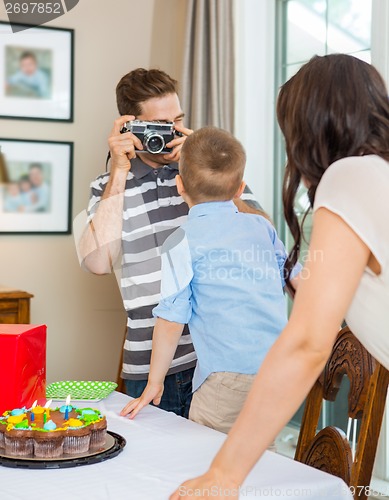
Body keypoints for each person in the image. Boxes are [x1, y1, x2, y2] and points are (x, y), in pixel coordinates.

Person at [169, 53, 389, 499]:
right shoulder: (376, 175)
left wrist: (224, 475)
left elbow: (308, 342)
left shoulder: (349, 176)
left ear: (308, 125)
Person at [77, 68, 265, 418]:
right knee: (157, 472)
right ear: (130, 127)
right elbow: (98, 263)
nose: (170, 133)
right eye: (159, 125)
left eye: (176, 122)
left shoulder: (205, 177)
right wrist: (119, 171)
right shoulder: (107, 187)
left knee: (220, 469)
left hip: (217, 361)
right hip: (151, 368)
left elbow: (262, 235)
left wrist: (202, 162)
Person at [120, 126, 301, 437]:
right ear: (240, 188)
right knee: (261, 458)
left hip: (225, 380)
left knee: (206, 455)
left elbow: (171, 318)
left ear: (179, 185)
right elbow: (296, 281)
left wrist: (155, 382)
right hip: (277, 372)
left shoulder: (181, 241)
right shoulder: (262, 227)